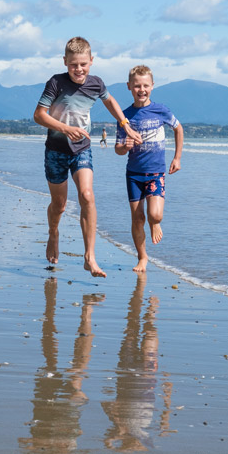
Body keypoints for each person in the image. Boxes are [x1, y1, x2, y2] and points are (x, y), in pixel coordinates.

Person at [33, 36, 142, 278]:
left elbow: (110, 101)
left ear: (91, 61)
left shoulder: (96, 84)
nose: (79, 69)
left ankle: (89, 257)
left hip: (82, 149)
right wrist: (65, 128)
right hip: (55, 151)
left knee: (87, 195)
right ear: (65, 62)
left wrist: (125, 123)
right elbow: (39, 115)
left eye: (83, 64)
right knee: (59, 205)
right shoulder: (56, 83)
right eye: (73, 65)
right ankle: (53, 233)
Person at [115, 65, 183, 273]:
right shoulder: (124, 116)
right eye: (137, 86)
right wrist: (124, 145)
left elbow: (178, 128)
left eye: (145, 85)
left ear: (152, 86)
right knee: (137, 218)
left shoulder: (161, 110)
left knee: (155, 215)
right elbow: (118, 149)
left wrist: (177, 158)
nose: (141, 90)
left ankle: (155, 223)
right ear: (129, 87)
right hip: (134, 174)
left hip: (156, 172)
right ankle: (142, 258)